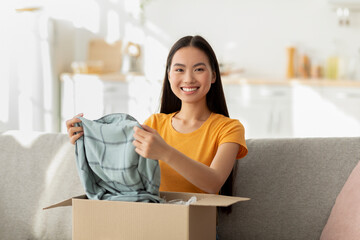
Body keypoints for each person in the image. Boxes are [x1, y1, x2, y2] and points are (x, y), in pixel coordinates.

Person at [66, 35, 248, 196]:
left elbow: (213, 182)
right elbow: (121, 168)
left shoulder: (229, 128)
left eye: (199, 69)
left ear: (214, 76)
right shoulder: (154, 124)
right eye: (179, 70)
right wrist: (88, 139)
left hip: (196, 227)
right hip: (150, 222)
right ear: (168, 76)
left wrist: (165, 152)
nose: (188, 78)